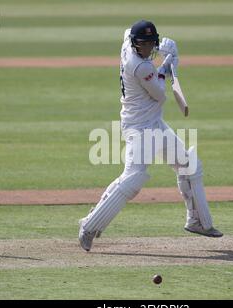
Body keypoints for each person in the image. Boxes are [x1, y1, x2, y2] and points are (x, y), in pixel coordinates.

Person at [78, 20, 223, 251]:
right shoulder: (140, 67)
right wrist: (167, 63)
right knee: (133, 179)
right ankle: (88, 226)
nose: (147, 48)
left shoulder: (127, 40)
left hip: (154, 123)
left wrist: (165, 49)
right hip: (140, 128)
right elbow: (160, 94)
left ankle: (198, 222)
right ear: (136, 45)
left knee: (188, 165)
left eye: (151, 43)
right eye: (143, 44)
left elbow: (128, 30)